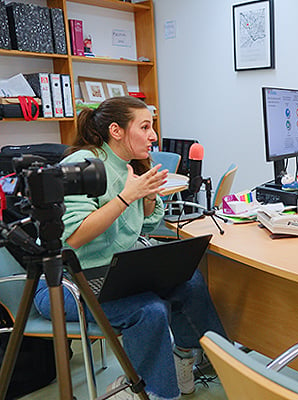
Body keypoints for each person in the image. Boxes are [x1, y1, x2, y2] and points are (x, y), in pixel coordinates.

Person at [33, 96, 227, 400]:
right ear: (116, 130)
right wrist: (127, 196)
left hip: (114, 275)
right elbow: (73, 238)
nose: (154, 136)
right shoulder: (82, 164)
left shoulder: (128, 167)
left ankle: (190, 361)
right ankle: (154, 392)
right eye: (146, 126)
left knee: (190, 282)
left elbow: (146, 225)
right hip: (67, 285)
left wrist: (147, 196)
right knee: (149, 309)